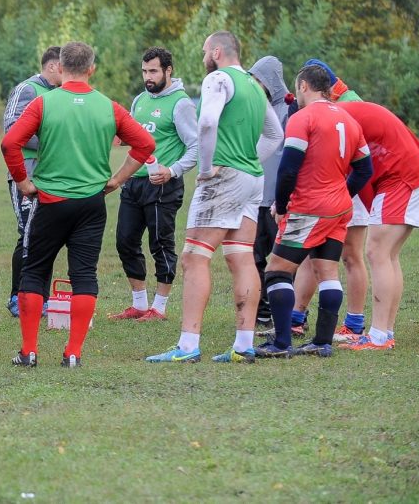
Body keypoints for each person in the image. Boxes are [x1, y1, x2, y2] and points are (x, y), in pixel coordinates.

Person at [2, 42, 155, 368]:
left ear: (60, 65)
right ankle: (73, 353)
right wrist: (118, 178)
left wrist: (22, 181)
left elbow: (9, 142)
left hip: (50, 200)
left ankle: (28, 352)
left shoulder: (44, 103)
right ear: (91, 69)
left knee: (34, 271)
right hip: (90, 203)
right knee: (84, 274)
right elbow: (145, 143)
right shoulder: (109, 107)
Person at [146, 31, 283, 364]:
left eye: (205, 49)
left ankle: (188, 344)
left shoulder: (217, 79)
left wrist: (207, 168)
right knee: (241, 257)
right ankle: (243, 344)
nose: (203, 55)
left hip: (224, 176)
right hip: (253, 179)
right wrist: (250, 160)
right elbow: (275, 134)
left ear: (217, 52)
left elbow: (207, 122)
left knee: (194, 257)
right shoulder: (253, 85)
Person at [288, 99, 419, 350]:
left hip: (401, 176)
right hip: (405, 175)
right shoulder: (338, 115)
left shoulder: (331, 121)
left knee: (377, 251)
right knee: (388, 255)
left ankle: (379, 336)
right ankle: (385, 332)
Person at [254, 64, 372, 359]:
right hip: (339, 208)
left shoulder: (303, 118)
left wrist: (281, 206)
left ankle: (281, 343)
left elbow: (288, 169)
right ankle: (321, 341)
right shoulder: (348, 117)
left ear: (304, 86)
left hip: (308, 206)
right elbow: (364, 169)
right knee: (326, 270)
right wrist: (342, 193)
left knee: (276, 271)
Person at [111, 46, 198, 322]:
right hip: (134, 183)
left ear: (168, 70)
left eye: (153, 71)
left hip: (163, 186)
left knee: (160, 244)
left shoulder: (181, 103)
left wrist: (171, 171)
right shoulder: (140, 100)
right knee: (125, 241)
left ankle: (159, 308)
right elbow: (141, 136)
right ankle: (139, 304)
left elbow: (196, 146)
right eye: (144, 71)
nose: (148, 77)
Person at [2, 46, 62, 316]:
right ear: (52, 67)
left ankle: (42, 298)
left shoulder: (62, 94)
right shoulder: (27, 89)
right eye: (65, 68)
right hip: (26, 172)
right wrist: (53, 141)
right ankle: (18, 297)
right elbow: (12, 128)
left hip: (53, 174)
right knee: (27, 231)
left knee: (46, 235)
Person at [244, 56, 292, 331]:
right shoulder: (253, 107)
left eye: (259, 80)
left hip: (279, 200)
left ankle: (285, 313)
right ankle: (261, 311)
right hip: (255, 197)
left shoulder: (289, 111)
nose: (255, 85)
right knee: (255, 256)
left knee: (281, 259)